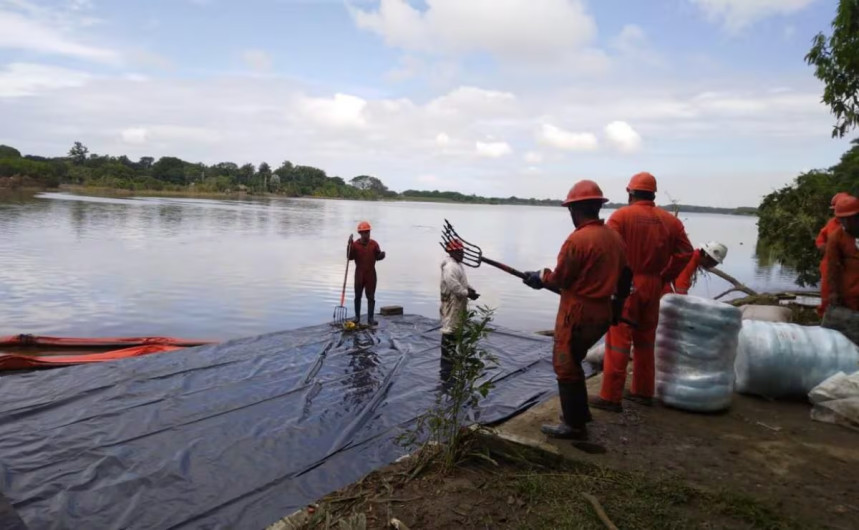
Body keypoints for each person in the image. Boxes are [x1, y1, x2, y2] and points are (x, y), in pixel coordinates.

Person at [521, 180, 631, 440]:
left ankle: (573, 425)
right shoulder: (614, 236)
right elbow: (626, 276)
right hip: (603, 311)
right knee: (576, 360)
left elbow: (561, 279)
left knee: (566, 365)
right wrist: (617, 306)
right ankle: (581, 414)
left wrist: (540, 277)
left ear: (575, 210)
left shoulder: (578, 240)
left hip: (579, 312)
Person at [591, 172, 693, 413]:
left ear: (630, 193)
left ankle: (611, 397)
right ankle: (643, 392)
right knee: (646, 340)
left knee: (618, 340)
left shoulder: (621, 216)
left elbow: (607, 249)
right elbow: (686, 253)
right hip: (654, 284)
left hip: (627, 285)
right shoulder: (671, 222)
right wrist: (665, 275)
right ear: (653, 194)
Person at [439, 239, 480, 382]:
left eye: (462, 251)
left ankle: (453, 360)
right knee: (449, 329)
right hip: (451, 302)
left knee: (457, 329)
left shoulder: (458, 265)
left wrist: (470, 289)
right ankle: (446, 365)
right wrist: (467, 293)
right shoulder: (450, 267)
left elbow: (462, 282)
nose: (462, 254)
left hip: (458, 302)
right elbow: (454, 286)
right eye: (460, 251)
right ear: (453, 252)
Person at [348, 221, 386, 326]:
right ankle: (357, 317)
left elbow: (377, 256)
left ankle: (370, 318)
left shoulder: (374, 244)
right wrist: (349, 246)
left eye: (367, 232)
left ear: (369, 232)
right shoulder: (355, 245)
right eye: (363, 232)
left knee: (371, 297)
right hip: (359, 274)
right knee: (357, 296)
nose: (365, 234)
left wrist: (382, 255)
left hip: (371, 274)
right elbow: (349, 257)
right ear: (360, 233)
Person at [825, 194, 859, 312]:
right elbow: (832, 266)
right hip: (850, 293)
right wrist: (834, 292)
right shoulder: (835, 238)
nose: (846, 222)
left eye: (850, 218)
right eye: (842, 219)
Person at [817, 192, 848, 316]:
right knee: (827, 292)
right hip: (829, 264)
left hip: (849, 267)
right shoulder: (832, 223)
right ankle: (824, 316)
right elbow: (820, 238)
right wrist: (822, 246)